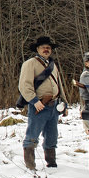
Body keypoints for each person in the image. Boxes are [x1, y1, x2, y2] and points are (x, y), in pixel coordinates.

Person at [18, 36, 67, 170]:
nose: (46, 49)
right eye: (43, 47)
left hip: (54, 106)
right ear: (38, 49)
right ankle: (30, 165)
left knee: (52, 137)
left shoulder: (52, 64)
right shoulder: (30, 64)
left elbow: (59, 85)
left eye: (48, 48)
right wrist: (34, 101)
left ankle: (51, 163)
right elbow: (24, 85)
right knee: (32, 136)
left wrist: (64, 102)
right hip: (39, 106)